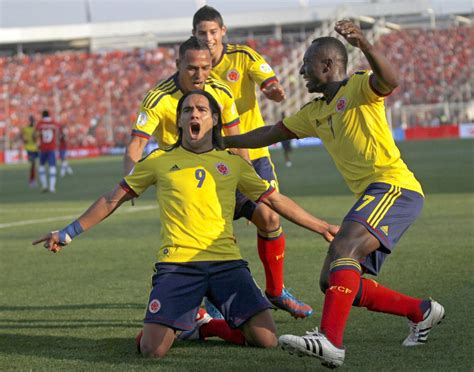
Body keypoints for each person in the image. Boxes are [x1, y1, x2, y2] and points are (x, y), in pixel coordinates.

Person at [33, 90, 339, 359]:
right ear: (179, 121)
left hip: (227, 264)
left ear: (214, 120)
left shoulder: (233, 163)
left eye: (202, 110)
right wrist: (68, 232)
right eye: (187, 110)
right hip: (178, 265)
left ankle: (204, 326)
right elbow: (112, 199)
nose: (194, 114)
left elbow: (275, 200)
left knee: (267, 340)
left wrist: (322, 226)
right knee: (152, 350)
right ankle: (186, 324)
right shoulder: (158, 161)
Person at [222, 20, 445, 368]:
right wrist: (223, 141)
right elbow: (268, 133)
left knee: (344, 249)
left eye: (306, 64)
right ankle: (420, 311)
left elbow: (391, 80)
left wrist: (366, 45)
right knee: (333, 280)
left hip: (394, 187)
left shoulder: (358, 87)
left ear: (326, 65)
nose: (300, 71)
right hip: (373, 193)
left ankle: (330, 341)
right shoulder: (314, 111)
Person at [192, 6, 313, 318]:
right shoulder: (194, 68)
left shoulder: (243, 56)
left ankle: (276, 291)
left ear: (223, 31)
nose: (208, 38)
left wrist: (273, 90)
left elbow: (268, 79)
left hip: (253, 154)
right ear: (194, 35)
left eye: (213, 32)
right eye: (202, 33)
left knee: (271, 219)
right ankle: (212, 298)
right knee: (217, 231)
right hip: (213, 160)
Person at [123, 36, 247, 177]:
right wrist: (129, 183)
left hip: (218, 170)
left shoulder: (221, 91)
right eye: (192, 68)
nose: (199, 75)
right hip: (177, 174)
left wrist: (250, 177)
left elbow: (236, 140)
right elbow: (137, 144)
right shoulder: (158, 99)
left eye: (205, 68)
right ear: (178, 64)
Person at [36, 110, 60, 193]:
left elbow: (36, 134)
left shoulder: (40, 123)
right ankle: (52, 187)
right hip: (51, 148)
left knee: (41, 167)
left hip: (43, 148)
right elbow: (58, 132)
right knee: (52, 167)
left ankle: (44, 185)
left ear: (42, 115)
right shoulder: (54, 123)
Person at [21, 115, 38, 187]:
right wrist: (24, 140)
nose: (32, 122)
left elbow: (35, 139)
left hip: (35, 149)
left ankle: (32, 180)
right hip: (29, 149)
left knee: (34, 165)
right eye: (31, 120)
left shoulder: (35, 129)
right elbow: (23, 137)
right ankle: (32, 181)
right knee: (32, 165)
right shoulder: (25, 129)